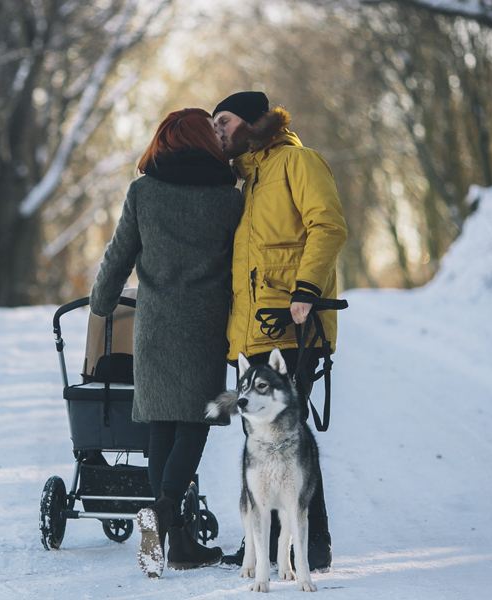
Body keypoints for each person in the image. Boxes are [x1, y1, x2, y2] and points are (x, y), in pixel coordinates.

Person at [90, 108, 242, 578]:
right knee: (195, 422)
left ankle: (175, 538)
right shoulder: (229, 199)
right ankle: (169, 515)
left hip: (153, 325)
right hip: (204, 325)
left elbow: (119, 255)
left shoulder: (143, 191)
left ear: (163, 141)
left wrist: (101, 303)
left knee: (160, 422)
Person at [211, 91, 347, 572]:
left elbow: (328, 226)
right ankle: (289, 546)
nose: (218, 130)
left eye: (223, 121)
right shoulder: (246, 181)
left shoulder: (298, 162)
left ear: (250, 122)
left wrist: (306, 288)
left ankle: (301, 546)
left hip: (293, 329)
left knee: (289, 440)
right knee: (266, 442)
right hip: (250, 336)